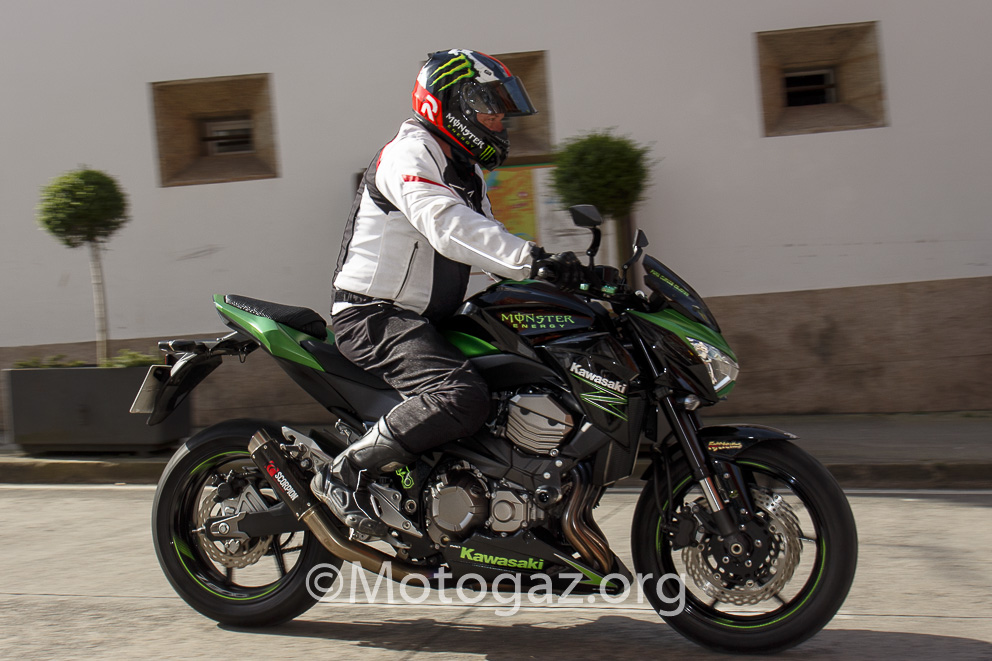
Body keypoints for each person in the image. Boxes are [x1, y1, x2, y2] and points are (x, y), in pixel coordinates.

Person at [311, 49, 582, 536]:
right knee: (460, 394)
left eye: (501, 107)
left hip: (426, 319)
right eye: (488, 104)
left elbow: (488, 247)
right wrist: (534, 259)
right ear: (447, 103)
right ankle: (343, 473)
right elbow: (448, 226)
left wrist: (567, 290)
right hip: (374, 317)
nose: (499, 118)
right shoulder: (410, 153)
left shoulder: (465, 170)